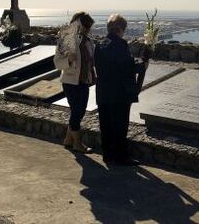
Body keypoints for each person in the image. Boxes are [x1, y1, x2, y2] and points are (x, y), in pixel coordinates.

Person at [95, 14, 148, 165]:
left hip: (103, 91)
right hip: (118, 93)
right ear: (121, 29)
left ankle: (107, 154)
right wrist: (142, 65)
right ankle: (120, 156)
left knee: (105, 124)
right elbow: (126, 67)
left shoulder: (100, 44)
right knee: (119, 125)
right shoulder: (120, 44)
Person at [54, 12, 95, 153]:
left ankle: (68, 140)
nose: (87, 29)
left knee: (79, 111)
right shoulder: (66, 38)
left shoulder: (88, 41)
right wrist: (69, 60)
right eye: (86, 26)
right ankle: (78, 143)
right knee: (77, 112)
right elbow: (57, 62)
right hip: (71, 81)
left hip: (84, 81)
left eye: (89, 27)